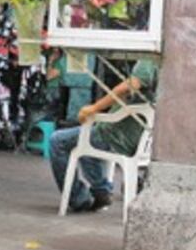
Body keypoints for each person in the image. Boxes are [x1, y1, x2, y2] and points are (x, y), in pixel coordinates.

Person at [49, 59, 158, 212]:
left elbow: (130, 85)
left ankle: (79, 198)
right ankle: (100, 190)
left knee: (57, 141)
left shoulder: (149, 62)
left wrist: (94, 108)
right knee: (86, 140)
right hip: (139, 138)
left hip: (118, 135)